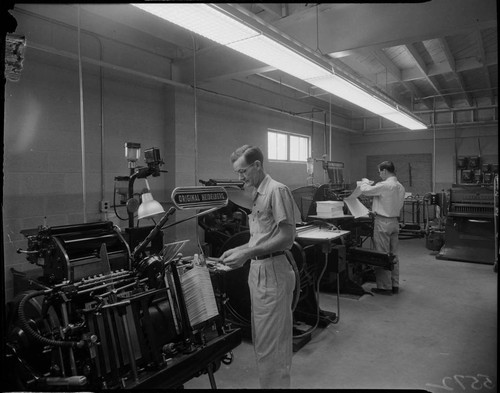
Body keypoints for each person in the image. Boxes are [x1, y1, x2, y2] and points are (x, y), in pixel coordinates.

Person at [219, 145, 296, 388]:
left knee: (273, 346)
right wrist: (241, 250)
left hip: (273, 271)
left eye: (243, 171)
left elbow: (287, 237)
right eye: (237, 173)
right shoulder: (256, 194)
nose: (240, 177)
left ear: (257, 165)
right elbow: (262, 236)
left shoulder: (276, 190)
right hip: (259, 271)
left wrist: (248, 252)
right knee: (263, 341)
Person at [359, 161, 405, 295]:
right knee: (394, 254)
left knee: (382, 254)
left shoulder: (385, 185)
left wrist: (365, 181)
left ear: (384, 171)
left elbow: (365, 191)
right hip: (394, 222)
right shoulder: (400, 186)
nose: (379, 175)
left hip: (383, 222)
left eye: (380, 172)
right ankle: (394, 284)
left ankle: (384, 287)